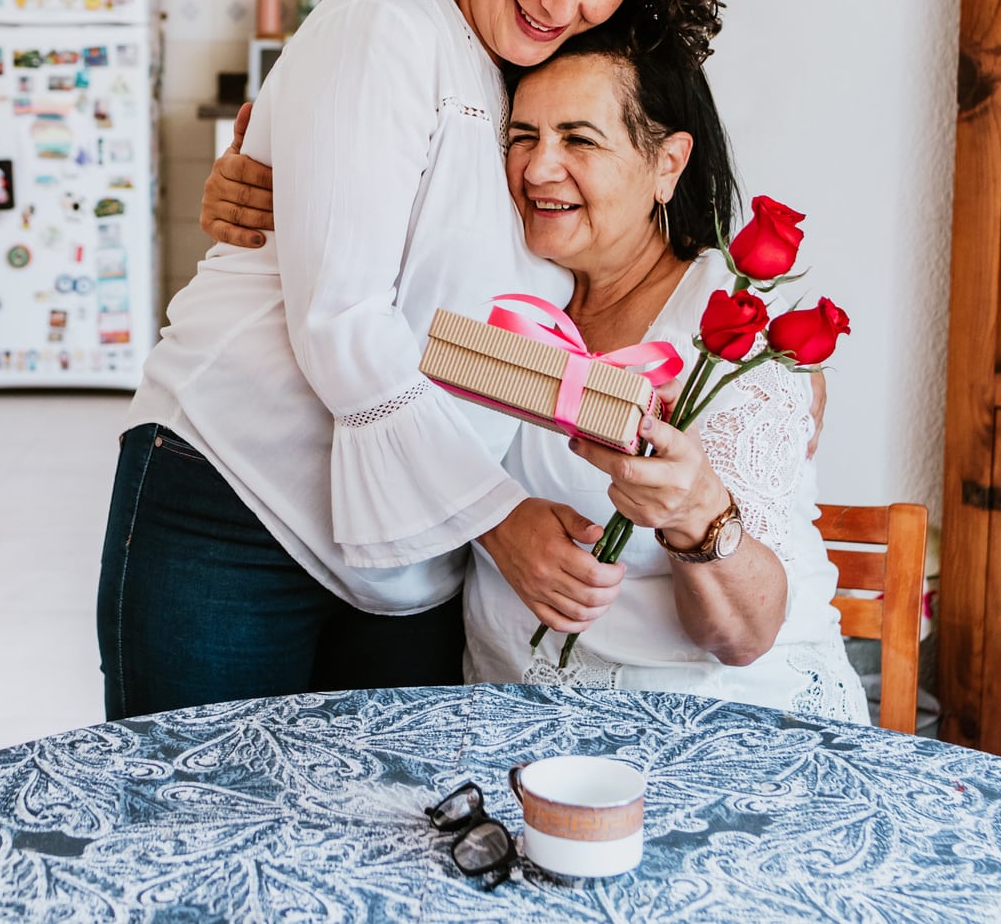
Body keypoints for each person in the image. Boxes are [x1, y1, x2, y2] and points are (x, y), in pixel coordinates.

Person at [99, 0, 735, 719]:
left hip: (410, 550)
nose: (562, 1)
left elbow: (488, 320)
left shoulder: (546, 87)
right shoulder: (386, 27)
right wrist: (500, 517)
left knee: (377, 840)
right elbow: (343, 317)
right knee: (192, 822)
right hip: (235, 499)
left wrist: (751, 387)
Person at [207, 35, 868, 719]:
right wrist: (267, 184)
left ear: (666, 164)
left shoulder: (725, 335)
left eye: (578, 140)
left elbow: (741, 635)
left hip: (715, 725)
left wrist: (694, 510)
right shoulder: (508, 288)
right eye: (522, 136)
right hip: (513, 726)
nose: (538, 168)